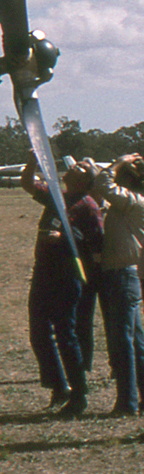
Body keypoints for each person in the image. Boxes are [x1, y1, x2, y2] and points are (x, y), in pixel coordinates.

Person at [23, 159, 104, 416]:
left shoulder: (87, 205)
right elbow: (27, 184)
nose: (74, 167)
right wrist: (31, 162)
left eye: (82, 168)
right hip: (43, 271)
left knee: (66, 334)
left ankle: (79, 394)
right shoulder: (57, 197)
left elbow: (98, 245)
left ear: (87, 181)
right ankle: (59, 386)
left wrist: (68, 239)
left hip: (67, 276)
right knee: (38, 330)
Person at [85, 155, 144, 416]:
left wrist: (118, 161)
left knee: (122, 342)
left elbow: (102, 185)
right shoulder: (126, 205)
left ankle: (127, 403)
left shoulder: (132, 201)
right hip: (125, 276)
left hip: (122, 276)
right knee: (136, 342)